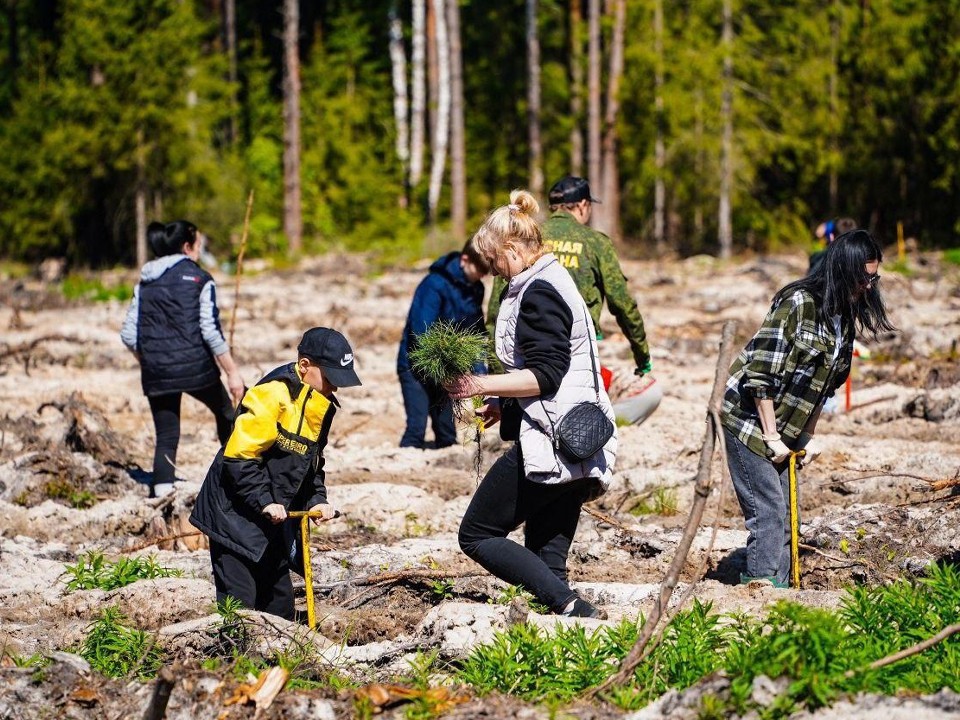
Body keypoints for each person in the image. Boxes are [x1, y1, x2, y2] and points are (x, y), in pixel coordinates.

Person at [444, 190, 618, 619]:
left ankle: (567, 603)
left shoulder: (540, 291)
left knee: (478, 533)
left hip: (554, 440)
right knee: (548, 563)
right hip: (577, 438)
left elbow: (546, 374)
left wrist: (477, 384)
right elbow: (548, 368)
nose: (492, 271)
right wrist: (506, 405)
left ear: (512, 249)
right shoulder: (550, 280)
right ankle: (572, 622)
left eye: (493, 261)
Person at [721, 229, 894, 587]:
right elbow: (759, 375)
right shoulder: (798, 304)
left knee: (786, 516)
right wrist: (771, 437)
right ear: (844, 270)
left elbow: (825, 385)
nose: (869, 286)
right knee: (768, 512)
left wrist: (806, 436)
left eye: (874, 278)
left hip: (783, 427)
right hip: (749, 419)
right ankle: (759, 592)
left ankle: (781, 591)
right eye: (865, 277)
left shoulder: (843, 319)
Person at [190, 327, 362, 620]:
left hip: (272, 521)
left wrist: (316, 500)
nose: (335, 387)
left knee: (280, 608)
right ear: (305, 366)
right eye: (331, 378)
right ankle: (236, 665)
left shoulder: (320, 406)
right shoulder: (270, 395)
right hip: (234, 516)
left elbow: (311, 465)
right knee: (241, 611)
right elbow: (238, 459)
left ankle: (282, 665)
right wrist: (265, 500)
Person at [486, 176, 658, 424]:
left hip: (525, 361)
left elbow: (495, 313)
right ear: (582, 205)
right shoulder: (595, 243)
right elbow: (622, 305)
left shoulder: (523, 238)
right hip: (576, 357)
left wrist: (500, 386)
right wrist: (643, 359)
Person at [121, 220, 244, 498]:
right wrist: (233, 373)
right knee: (226, 413)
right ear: (187, 246)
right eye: (198, 244)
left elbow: (128, 334)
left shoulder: (145, 282)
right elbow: (210, 332)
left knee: (166, 435)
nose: (200, 251)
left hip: (157, 371)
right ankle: (236, 475)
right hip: (196, 367)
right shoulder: (200, 278)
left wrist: (148, 361)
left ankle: (162, 496)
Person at [397, 238, 490, 448]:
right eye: (480, 269)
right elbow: (421, 331)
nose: (482, 276)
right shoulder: (433, 284)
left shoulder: (476, 289)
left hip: (447, 370)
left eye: (486, 271)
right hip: (415, 366)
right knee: (416, 429)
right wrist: (445, 355)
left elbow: (474, 332)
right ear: (465, 259)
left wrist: (479, 376)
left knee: (447, 435)